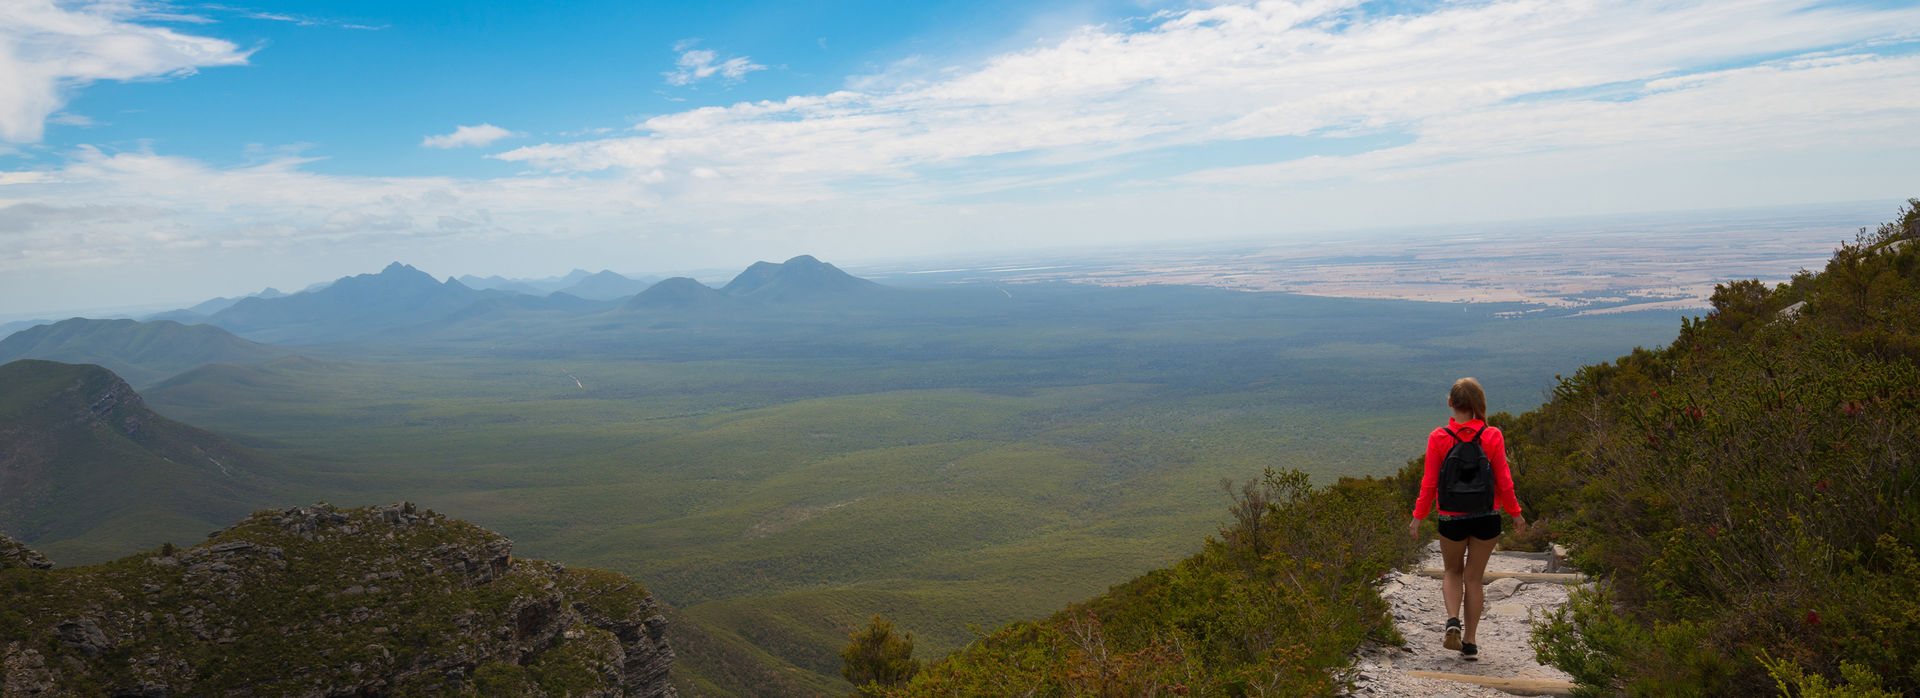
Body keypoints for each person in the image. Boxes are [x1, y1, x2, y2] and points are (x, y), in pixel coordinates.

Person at [1406, 377, 1527, 660]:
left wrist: (1418, 516)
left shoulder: (1439, 437)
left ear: (1451, 403)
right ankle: (1470, 642)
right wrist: (1515, 513)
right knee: (1474, 579)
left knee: (1452, 572)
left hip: (1451, 518)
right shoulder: (1492, 435)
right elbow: (1504, 481)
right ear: (1477, 404)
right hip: (1487, 516)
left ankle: (1452, 620)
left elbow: (1429, 482)